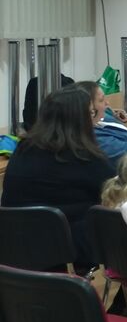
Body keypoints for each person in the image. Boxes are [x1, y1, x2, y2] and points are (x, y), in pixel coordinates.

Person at [1, 86, 115, 269]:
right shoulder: (85, 156)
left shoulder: (23, 149)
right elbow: (115, 191)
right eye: (91, 113)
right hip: (69, 251)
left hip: (16, 250)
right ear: (79, 119)